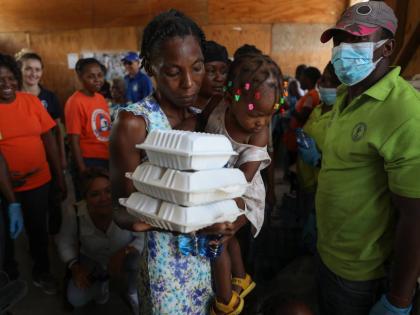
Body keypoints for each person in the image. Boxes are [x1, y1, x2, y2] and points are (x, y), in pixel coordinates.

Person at [110, 9, 247, 314]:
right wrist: (156, 220)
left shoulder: (209, 118)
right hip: (169, 269)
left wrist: (231, 223)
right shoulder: (135, 123)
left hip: (214, 259)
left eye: (197, 68)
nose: (188, 83)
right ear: (150, 68)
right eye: (173, 72)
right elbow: (119, 208)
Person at [316, 2, 420, 315]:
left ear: (387, 47)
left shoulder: (404, 111)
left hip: (362, 274)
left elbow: (415, 216)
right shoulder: (348, 95)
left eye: (356, 40)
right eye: (338, 41)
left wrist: (398, 298)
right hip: (327, 252)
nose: (343, 49)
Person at [199, 52, 283, 314]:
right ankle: (240, 276)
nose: (261, 122)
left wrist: (221, 209)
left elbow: (243, 179)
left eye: (268, 116)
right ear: (229, 98)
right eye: (256, 113)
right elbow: (201, 132)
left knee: (219, 236)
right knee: (229, 237)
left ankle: (225, 301)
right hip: (217, 182)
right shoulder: (215, 106)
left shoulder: (258, 133)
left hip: (243, 192)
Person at [0, 53, 66, 294]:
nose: (7, 85)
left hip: (39, 181)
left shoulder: (30, 102)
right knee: (5, 236)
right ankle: (9, 277)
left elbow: (48, 138)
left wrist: (59, 176)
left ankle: (42, 271)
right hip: (5, 187)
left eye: (10, 78)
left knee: (38, 230)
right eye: (0, 80)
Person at [56, 168, 143, 314]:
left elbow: (143, 238)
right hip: (93, 260)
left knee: (136, 262)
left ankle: (132, 291)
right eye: (95, 194)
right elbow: (65, 241)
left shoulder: (127, 207)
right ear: (85, 198)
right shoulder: (74, 212)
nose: (104, 198)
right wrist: (75, 267)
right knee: (76, 298)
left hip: (126, 259)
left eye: (108, 191)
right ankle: (102, 287)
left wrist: (124, 252)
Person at [17, 52, 66, 235]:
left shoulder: (49, 97)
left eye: (37, 69)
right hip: (26, 160)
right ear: (19, 70)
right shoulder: (12, 97)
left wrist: (61, 159)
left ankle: (55, 237)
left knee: (55, 199)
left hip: (50, 157)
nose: (33, 73)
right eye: (28, 68)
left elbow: (57, 130)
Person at [295, 62, 341, 253]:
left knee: (320, 233)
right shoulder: (320, 108)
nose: (320, 82)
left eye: (327, 80)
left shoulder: (342, 114)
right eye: (322, 78)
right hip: (307, 181)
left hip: (323, 185)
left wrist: (318, 160)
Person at [65, 58, 111, 200]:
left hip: (105, 157)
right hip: (88, 160)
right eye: (90, 76)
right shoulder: (75, 102)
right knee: (88, 202)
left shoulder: (100, 98)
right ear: (80, 77)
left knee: (105, 200)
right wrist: (82, 170)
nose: (97, 80)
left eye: (99, 75)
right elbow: (73, 140)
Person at [194, 40, 229, 111]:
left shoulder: (228, 112)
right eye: (211, 71)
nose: (219, 78)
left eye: (223, 72)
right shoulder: (183, 113)